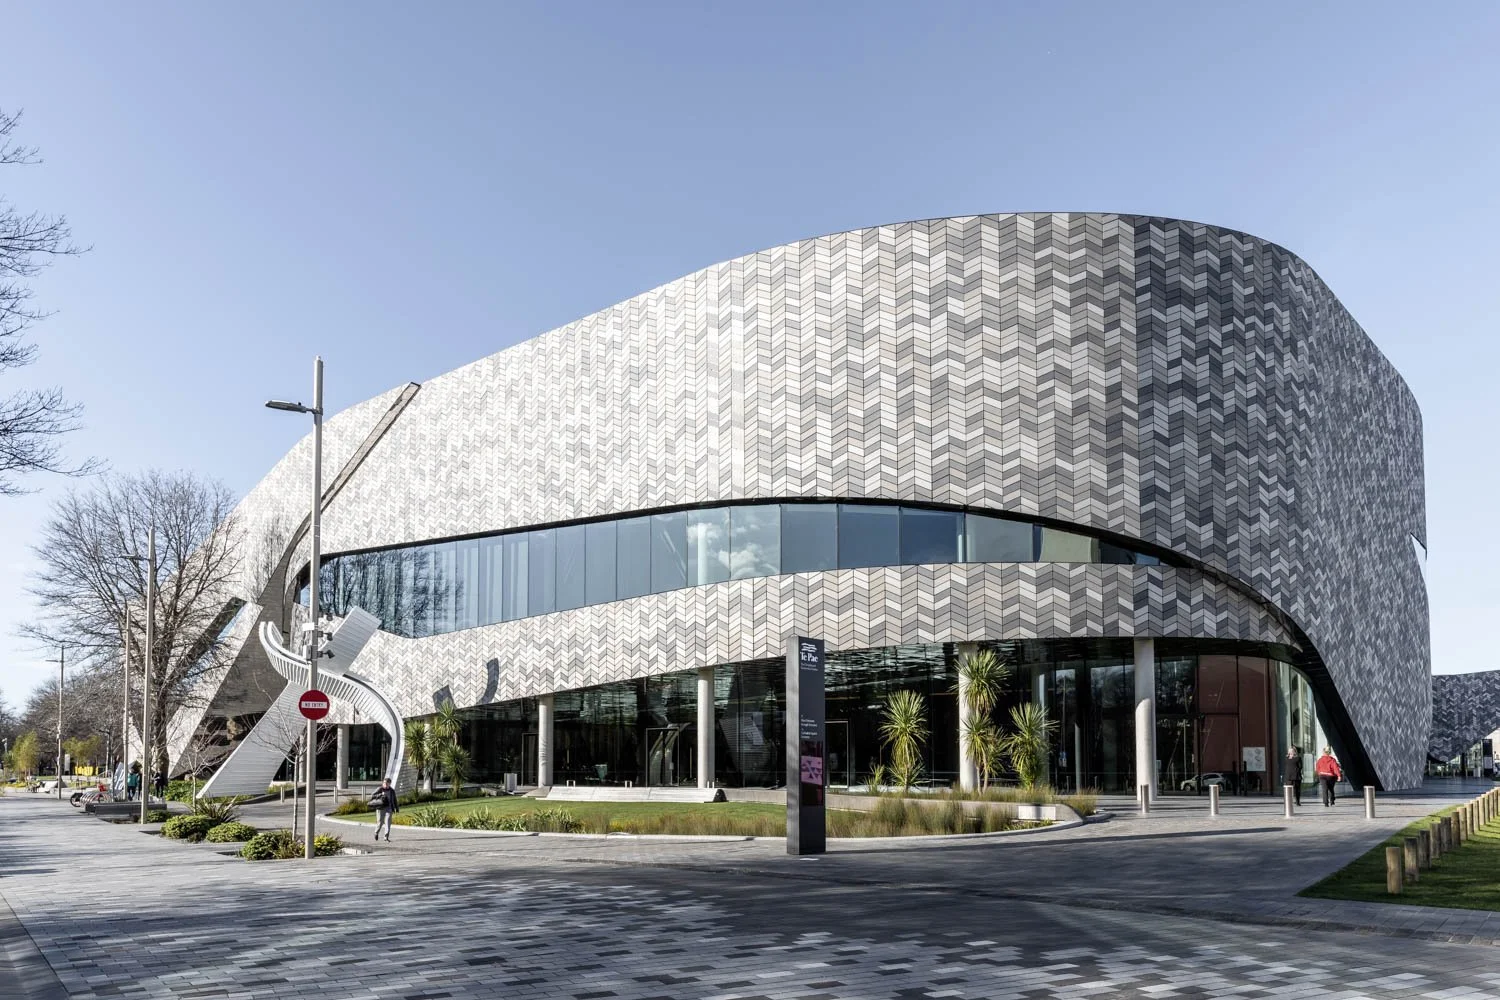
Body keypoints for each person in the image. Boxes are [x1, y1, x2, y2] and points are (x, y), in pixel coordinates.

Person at [370, 778, 398, 842]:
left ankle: (386, 837)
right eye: (384, 782)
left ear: (389, 784)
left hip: (389, 808)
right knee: (380, 822)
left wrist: (396, 808)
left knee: (388, 822)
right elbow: (372, 795)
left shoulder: (392, 791)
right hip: (381, 808)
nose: (385, 784)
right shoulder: (380, 789)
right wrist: (380, 794)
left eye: (386, 783)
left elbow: (395, 800)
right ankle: (376, 832)